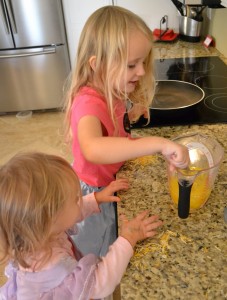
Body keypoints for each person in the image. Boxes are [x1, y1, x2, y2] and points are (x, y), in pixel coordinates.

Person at [63, 5, 189, 257]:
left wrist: (130, 112)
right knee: (94, 257)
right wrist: (159, 143)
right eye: (132, 65)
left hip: (109, 182)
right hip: (92, 194)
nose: (141, 71)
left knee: (110, 241)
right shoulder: (87, 101)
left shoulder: (110, 91)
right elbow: (94, 148)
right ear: (98, 65)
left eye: (142, 63)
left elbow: (112, 130)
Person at [0, 152, 163, 300]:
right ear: (48, 220)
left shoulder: (35, 230)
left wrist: (95, 199)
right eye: (75, 199)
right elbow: (99, 284)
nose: (80, 199)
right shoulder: (54, 265)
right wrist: (128, 238)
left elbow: (66, 215)